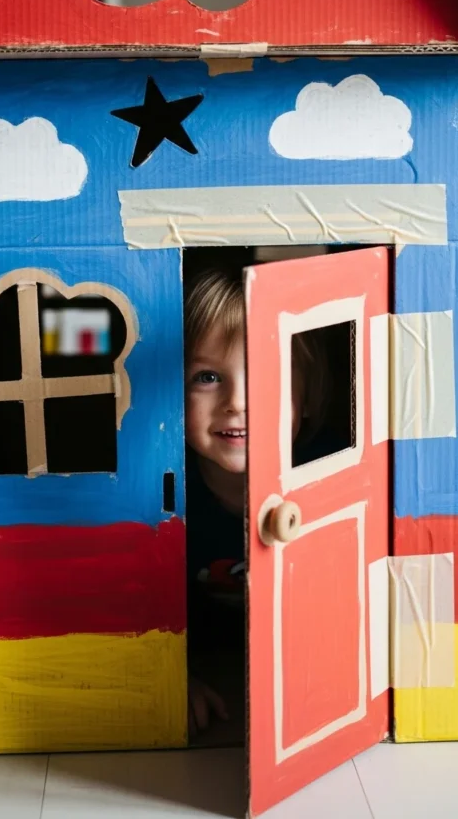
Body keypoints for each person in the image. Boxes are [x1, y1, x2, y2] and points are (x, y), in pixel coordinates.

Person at [184, 268, 337, 736]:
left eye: (267, 373)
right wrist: (168, 676)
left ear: (306, 398)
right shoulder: (161, 490)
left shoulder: (332, 477)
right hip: (209, 664)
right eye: (208, 376)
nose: (238, 402)